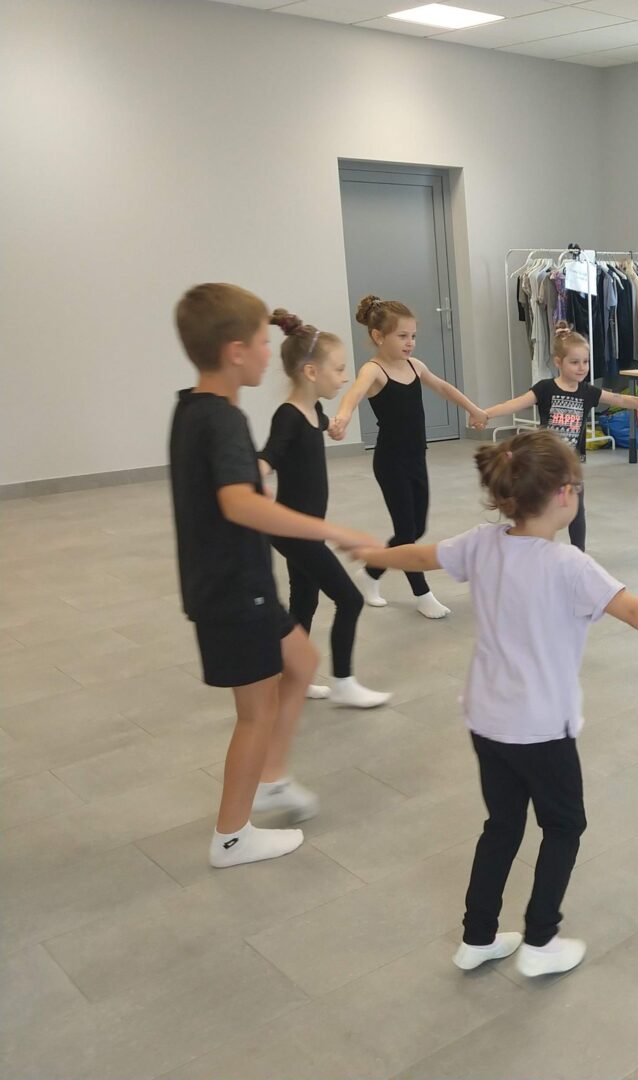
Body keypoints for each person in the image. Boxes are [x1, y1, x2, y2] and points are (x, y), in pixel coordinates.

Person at [354, 431, 638, 976]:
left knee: (502, 825)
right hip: (540, 729)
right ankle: (541, 941)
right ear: (564, 494)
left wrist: (374, 554)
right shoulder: (570, 565)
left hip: (486, 720)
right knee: (563, 826)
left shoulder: (482, 543)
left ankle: (477, 936)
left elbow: (423, 554)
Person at [168, 284, 376, 868]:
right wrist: (332, 530)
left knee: (303, 662)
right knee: (255, 713)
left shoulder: (193, 408)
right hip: (234, 592)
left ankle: (272, 779)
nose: (268, 353)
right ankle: (232, 836)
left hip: (241, 584)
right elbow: (239, 503)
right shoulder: (222, 420)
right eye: (262, 343)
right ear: (236, 351)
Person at [259, 310, 391, 709]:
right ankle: (344, 682)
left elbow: (320, 427)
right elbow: (270, 455)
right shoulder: (287, 416)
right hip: (295, 530)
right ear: (311, 372)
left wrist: (334, 426)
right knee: (349, 599)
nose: (345, 377)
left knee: (305, 600)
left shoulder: (312, 410)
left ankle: (292, 678)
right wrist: (248, 477)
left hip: (305, 528)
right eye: (339, 369)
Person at [328, 295, 488, 618]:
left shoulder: (415, 366)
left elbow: (443, 387)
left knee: (416, 528)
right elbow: (354, 393)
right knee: (406, 531)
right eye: (402, 336)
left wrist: (473, 408)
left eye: (413, 335)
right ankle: (422, 594)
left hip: (416, 458)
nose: (410, 342)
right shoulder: (374, 370)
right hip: (390, 462)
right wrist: (342, 417)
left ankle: (371, 572)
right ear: (378, 336)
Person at [474, 320, 638, 550]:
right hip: (544, 464)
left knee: (577, 511)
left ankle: (579, 554)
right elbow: (515, 404)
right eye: (574, 362)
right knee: (539, 510)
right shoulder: (545, 388)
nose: (581, 368)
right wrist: (485, 414)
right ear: (558, 362)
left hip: (570, 465)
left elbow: (623, 400)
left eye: (585, 362)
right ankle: (533, 549)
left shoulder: (588, 392)